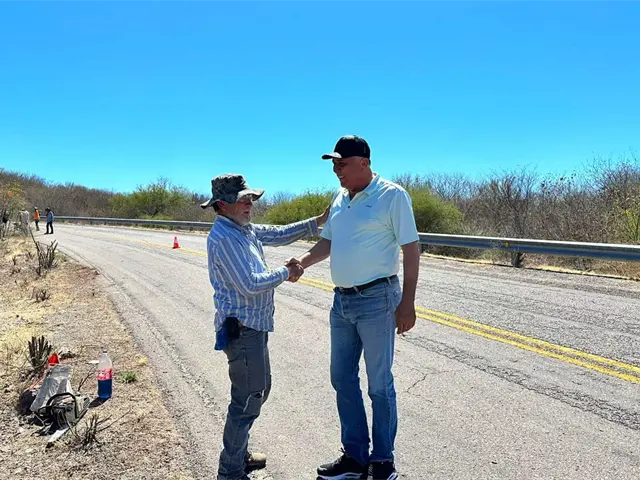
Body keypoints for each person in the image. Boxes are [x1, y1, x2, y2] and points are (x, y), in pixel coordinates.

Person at [287, 135, 421, 480]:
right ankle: (355, 457)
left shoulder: (392, 196)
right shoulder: (339, 197)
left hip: (378, 299)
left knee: (379, 384)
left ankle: (383, 460)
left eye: (342, 164)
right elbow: (328, 242)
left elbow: (411, 249)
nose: (337, 171)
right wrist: (302, 261)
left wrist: (407, 302)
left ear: (364, 162)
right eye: (334, 165)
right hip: (342, 301)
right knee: (342, 378)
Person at [201, 173, 329, 480]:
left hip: (253, 327)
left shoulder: (243, 229)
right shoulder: (224, 238)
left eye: (250, 199)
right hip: (242, 329)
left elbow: (278, 233)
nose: (249, 204)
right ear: (222, 205)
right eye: (242, 200)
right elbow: (249, 284)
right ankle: (230, 471)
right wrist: (287, 271)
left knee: (257, 392)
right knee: (247, 399)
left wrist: (317, 222)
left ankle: (238, 455)